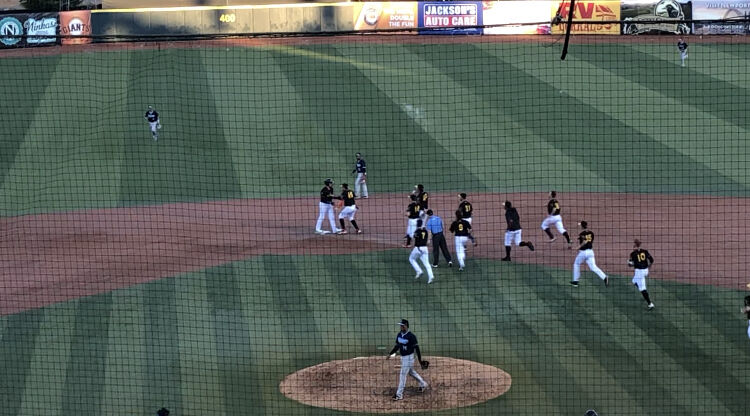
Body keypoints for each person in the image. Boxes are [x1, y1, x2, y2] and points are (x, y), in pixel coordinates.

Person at [387, 319, 428, 401]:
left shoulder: (411, 336)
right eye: (400, 325)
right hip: (403, 357)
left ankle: (399, 395)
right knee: (411, 372)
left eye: (402, 325)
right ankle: (423, 384)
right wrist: (390, 353)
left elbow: (417, 349)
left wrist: (420, 361)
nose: (401, 327)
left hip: (409, 358)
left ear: (406, 326)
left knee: (402, 375)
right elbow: (397, 346)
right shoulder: (399, 335)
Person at [571, 221, 608, 287]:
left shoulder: (582, 233)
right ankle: (604, 277)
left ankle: (575, 281)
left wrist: (577, 247)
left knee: (576, 264)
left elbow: (584, 241)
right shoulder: (591, 233)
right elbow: (588, 239)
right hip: (590, 252)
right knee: (593, 267)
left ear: (582, 226)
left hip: (583, 252)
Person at [628, 239, 655, 310]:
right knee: (634, 281)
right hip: (646, 270)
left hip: (639, 272)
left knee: (642, 289)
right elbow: (652, 260)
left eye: (634, 247)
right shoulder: (645, 251)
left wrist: (629, 263)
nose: (633, 248)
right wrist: (649, 267)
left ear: (636, 247)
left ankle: (650, 304)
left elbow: (630, 265)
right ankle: (644, 294)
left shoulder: (632, 254)